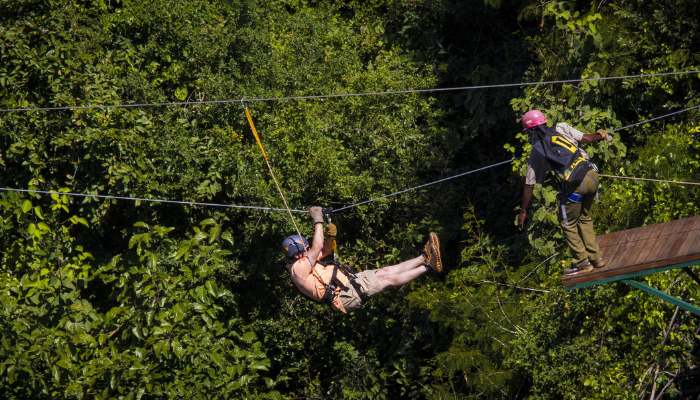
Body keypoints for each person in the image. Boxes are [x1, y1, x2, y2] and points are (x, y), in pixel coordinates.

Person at [281, 206, 442, 313]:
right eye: (305, 249)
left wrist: (330, 235)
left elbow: (325, 250)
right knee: (388, 279)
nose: (308, 250)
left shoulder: (305, 262)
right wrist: (318, 220)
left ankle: (424, 257)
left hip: (349, 284)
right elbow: (316, 248)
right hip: (344, 295)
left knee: (385, 271)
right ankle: (428, 266)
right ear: (297, 254)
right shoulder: (298, 270)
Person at [517, 109, 611, 275]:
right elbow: (587, 138)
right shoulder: (561, 127)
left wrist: (523, 210)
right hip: (592, 175)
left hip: (577, 185)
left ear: (531, 131)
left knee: (567, 222)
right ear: (544, 122)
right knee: (584, 217)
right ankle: (597, 259)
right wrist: (600, 135)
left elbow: (529, 184)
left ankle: (582, 263)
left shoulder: (537, 151)